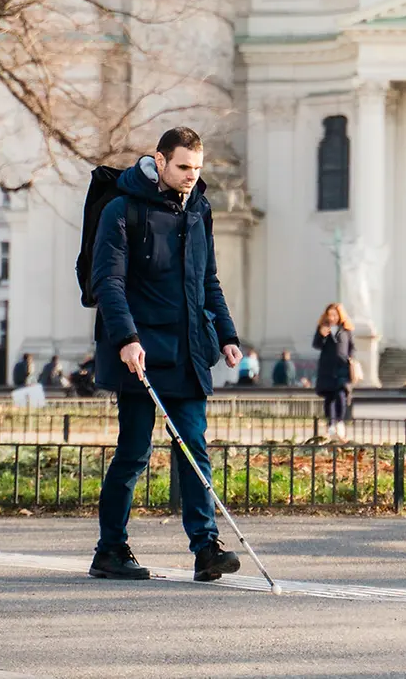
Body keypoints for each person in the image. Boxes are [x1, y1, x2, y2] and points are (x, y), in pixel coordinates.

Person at [87, 126, 246, 583]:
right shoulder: (123, 209)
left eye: (197, 168)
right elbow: (108, 282)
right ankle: (110, 549)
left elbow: (208, 280)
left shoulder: (199, 209)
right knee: (133, 454)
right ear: (159, 161)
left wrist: (227, 334)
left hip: (191, 349)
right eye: (182, 167)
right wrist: (126, 339)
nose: (191, 176)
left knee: (194, 448)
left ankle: (206, 549)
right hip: (141, 354)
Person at [313, 303, 354, 442]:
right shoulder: (323, 328)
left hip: (342, 368)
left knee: (341, 395)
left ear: (340, 316)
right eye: (329, 315)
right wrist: (322, 335)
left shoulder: (346, 330)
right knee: (329, 397)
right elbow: (316, 345)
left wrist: (351, 360)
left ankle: (340, 421)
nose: (332, 318)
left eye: (334, 315)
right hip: (327, 368)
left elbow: (351, 347)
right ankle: (331, 424)